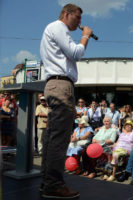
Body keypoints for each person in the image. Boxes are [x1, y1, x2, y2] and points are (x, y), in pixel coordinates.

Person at [40, 3, 93, 199]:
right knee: (59, 139)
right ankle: (53, 185)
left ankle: (47, 181)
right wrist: (85, 36)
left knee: (52, 137)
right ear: (67, 14)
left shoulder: (54, 29)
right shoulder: (58, 27)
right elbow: (76, 53)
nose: (80, 22)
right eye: (77, 18)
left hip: (56, 85)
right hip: (61, 86)